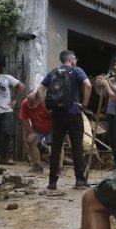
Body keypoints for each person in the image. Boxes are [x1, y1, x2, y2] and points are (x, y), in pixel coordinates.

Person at [37, 50, 92, 190]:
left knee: (56, 148)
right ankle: (80, 180)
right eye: (75, 59)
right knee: (77, 147)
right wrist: (84, 104)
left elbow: (40, 90)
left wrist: (47, 108)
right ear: (71, 59)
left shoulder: (53, 72)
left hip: (57, 115)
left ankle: (52, 182)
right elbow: (88, 85)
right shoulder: (77, 70)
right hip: (74, 114)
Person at [18, 93, 53, 173]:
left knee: (57, 144)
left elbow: (56, 118)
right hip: (37, 128)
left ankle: (58, 167)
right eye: (29, 102)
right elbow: (24, 119)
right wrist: (31, 132)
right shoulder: (25, 103)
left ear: (39, 100)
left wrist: (58, 132)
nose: (30, 104)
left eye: (32, 102)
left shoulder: (47, 103)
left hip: (52, 128)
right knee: (31, 140)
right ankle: (37, 165)